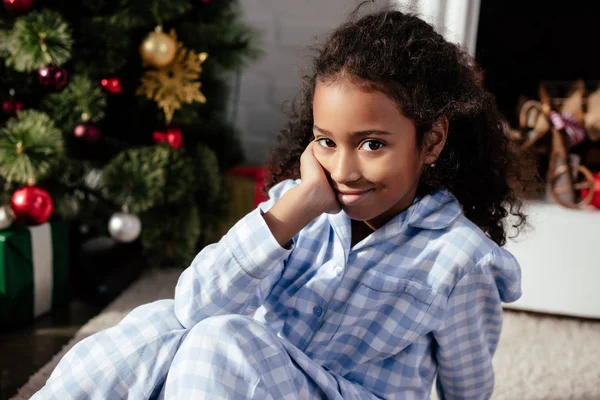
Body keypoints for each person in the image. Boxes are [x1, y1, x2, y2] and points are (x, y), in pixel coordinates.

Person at [33, 4, 533, 400]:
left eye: (373, 144)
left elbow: (468, 390)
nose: (343, 170)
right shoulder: (296, 211)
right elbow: (195, 306)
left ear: (432, 141)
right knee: (160, 324)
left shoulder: (461, 260)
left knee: (218, 342)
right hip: (254, 384)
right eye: (327, 142)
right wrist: (294, 210)